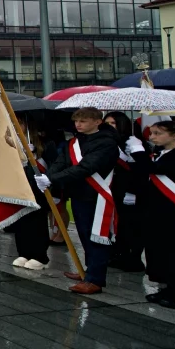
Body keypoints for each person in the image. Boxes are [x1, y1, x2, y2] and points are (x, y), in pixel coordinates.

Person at [40, 107, 120, 294]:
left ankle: (95, 279)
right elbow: (61, 161)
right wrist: (49, 175)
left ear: (97, 122)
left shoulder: (106, 143)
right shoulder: (74, 142)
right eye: (76, 121)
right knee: (84, 234)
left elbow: (86, 167)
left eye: (83, 121)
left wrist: (53, 179)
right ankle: (88, 271)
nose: (78, 125)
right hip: (78, 193)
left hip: (97, 195)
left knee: (97, 237)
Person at [134, 120, 175, 309]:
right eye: (151, 133)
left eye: (158, 133)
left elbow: (155, 169)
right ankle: (169, 288)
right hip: (158, 211)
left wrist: (137, 151)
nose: (152, 137)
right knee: (161, 251)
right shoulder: (161, 153)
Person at [103, 112, 147, 273]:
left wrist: (132, 191)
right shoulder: (107, 141)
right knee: (115, 224)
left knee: (132, 225)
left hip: (131, 191)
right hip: (113, 189)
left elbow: (141, 169)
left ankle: (134, 258)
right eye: (106, 122)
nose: (109, 126)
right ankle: (118, 253)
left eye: (113, 123)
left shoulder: (132, 141)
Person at [10, 120, 53, 270]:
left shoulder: (44, 143)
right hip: (18, 188)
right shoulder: (10, 142)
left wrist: (33, 155)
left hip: (38, 189)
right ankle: (24, 252)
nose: (16, 126)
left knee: (37, 222)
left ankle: (40, 256)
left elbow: (52, 166)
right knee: (21, 221)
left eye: (19, 123)